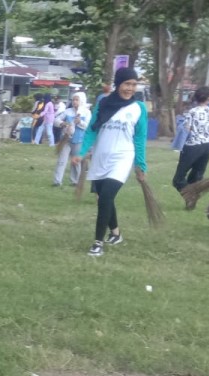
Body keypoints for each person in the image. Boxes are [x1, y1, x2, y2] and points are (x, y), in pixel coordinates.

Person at [74, 67, 147, 257]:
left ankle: (97, 243)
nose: (130, 88)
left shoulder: (138, 108)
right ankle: (116, 233)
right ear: (118, 84)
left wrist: (140, 165)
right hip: (100, 157)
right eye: (126, 84)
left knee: (106, 197)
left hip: (122, 157)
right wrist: (82, 153)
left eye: (133, 84)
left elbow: (140, 139)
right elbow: (92, 130)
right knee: (103, 197)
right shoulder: (103, 104)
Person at [172, 86, 209, 193]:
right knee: (196, 177)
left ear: (195, 98)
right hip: (207, 146)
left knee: (178, 179)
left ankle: (189, 195)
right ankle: (193, 197)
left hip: (193, 146)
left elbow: (187, 128)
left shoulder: (192, 112)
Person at [53, 92, 90, 187]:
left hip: (79, 140)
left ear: (81, 101)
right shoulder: (68, 111)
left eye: (77, 100)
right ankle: (57, 181)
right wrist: (63, 123)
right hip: (66, 139)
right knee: (62, 160)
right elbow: (56, 120)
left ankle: (75, 181)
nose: (74, 102)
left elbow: (88, 127)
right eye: (73, 99)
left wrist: (80, 122)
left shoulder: (86, 112)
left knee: (76, 161)